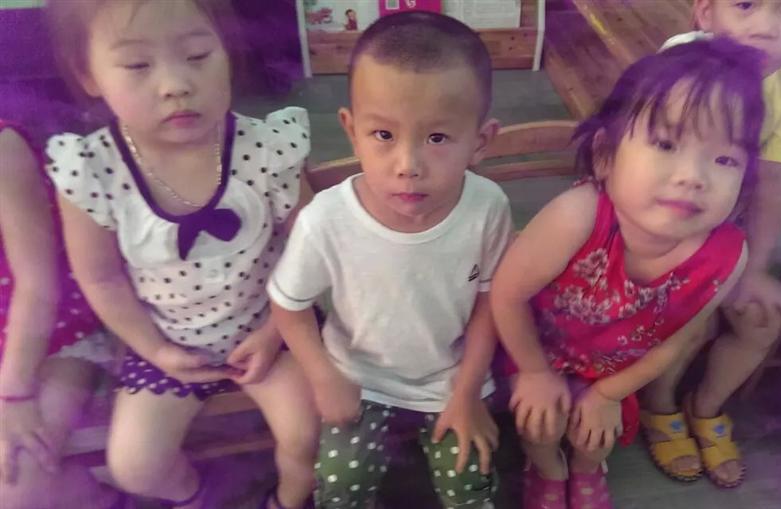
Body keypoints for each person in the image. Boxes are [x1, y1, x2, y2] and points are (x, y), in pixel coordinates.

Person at [42, 1, 317, 508]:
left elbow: (310, 245)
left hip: (270, 328)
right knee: (134, 466)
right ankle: (200, 494)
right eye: (137, 65)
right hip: (164, 343)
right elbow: (101, 278)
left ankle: (287, 501)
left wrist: (274, 330)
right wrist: (155, 349)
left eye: (197, 55)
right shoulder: (92, 170)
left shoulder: (265, 148)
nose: (175, 84)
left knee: (307, 433)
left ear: (226, 53)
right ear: (89, 75)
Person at [490, 37, 764, 509]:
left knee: (595, 436)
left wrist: (607, 395)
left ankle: (587, 468)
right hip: (536, 351)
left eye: (725, 159)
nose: (693, 176)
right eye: (666, 144)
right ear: (605, 156)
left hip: (617, 372)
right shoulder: (576, 216)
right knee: (541, 425)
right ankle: (547, 469)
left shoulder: (726, 256)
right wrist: (534, 373)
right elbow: (506, 296)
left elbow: (674, 345)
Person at [268, 12, 513, 509]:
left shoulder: (488, 207)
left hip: (449, 380)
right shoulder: (326, 219)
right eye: (383, 135)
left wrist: (467, 393)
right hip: (360, 380)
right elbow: (288, 305)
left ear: (480, 141)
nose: (408, 166)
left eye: (437, 138)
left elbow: (493, 301)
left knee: (470, 483)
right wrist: (324, 377)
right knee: (340, 483)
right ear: (351, 130)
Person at [645, 0, 781, 488]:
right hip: (665, 224)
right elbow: (652, 177)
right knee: (694, 319)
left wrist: (755, 269)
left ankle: (705, 406)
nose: (764, 28)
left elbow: (775, 180)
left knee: (764, 317)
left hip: (726, 228)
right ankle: (658, 404)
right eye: (745, 4)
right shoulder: (685, 67)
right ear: (705, 13)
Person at [0, 122, 121, 509]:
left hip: (55, 336)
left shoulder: (4, 148)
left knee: (13, 488)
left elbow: (37, 286)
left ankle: (103, 497)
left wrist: (14, 396)